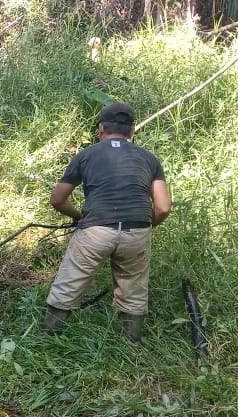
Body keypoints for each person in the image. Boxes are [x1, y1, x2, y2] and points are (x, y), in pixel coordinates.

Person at [44, 103, 172, 342]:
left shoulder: (86, 155)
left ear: (101, 128)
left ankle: (50, 340)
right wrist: (142, 227)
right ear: (132, 132)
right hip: (137, 229)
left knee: (69, 283)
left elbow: (58, 199)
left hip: (96, 230)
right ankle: (130, 345)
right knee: (133, 290)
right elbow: (163, 207)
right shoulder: (149, 159)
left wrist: (80, 218)